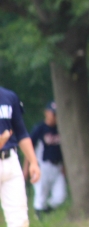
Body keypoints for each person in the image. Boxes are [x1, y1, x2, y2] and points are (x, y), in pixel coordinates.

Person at [0, 86, 41, 227]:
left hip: (10, 161)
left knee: (19, 220)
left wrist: (33, 162)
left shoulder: (9, 97)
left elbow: (21, 133)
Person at [25, 101, 67, 218]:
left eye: (56, 114)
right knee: (40, 194)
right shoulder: (40, 129)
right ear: (46, 113)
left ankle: (45, 212)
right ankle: (39, 218)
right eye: (53, 113)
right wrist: (27, 167)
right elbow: (29, 147)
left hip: (58, 167)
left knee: (60, 196)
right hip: (42, 166)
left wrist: (64, 166)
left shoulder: (61, 129)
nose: (55, 116)